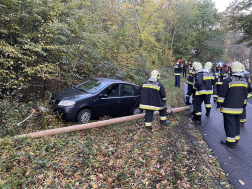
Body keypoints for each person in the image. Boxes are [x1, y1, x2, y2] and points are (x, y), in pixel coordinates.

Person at [217, 62, 248, 147]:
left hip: (228, 108)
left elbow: (222, 94)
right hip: (239, 108)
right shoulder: (245, 81)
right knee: (236, 124)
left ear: (231, 70)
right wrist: (243, 107)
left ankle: (230, 142)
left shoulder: (228, 80)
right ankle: (236, 140)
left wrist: (218, 104)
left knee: (229, 124)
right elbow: (245, 96)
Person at [239, 63, 252, 127]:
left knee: (238, 107)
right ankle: (242, 121)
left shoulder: (237, 78)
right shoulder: (247, 78)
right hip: (245, 96)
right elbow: (249, 87)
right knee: (243, 108)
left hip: (238, 95)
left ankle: (238, 120)